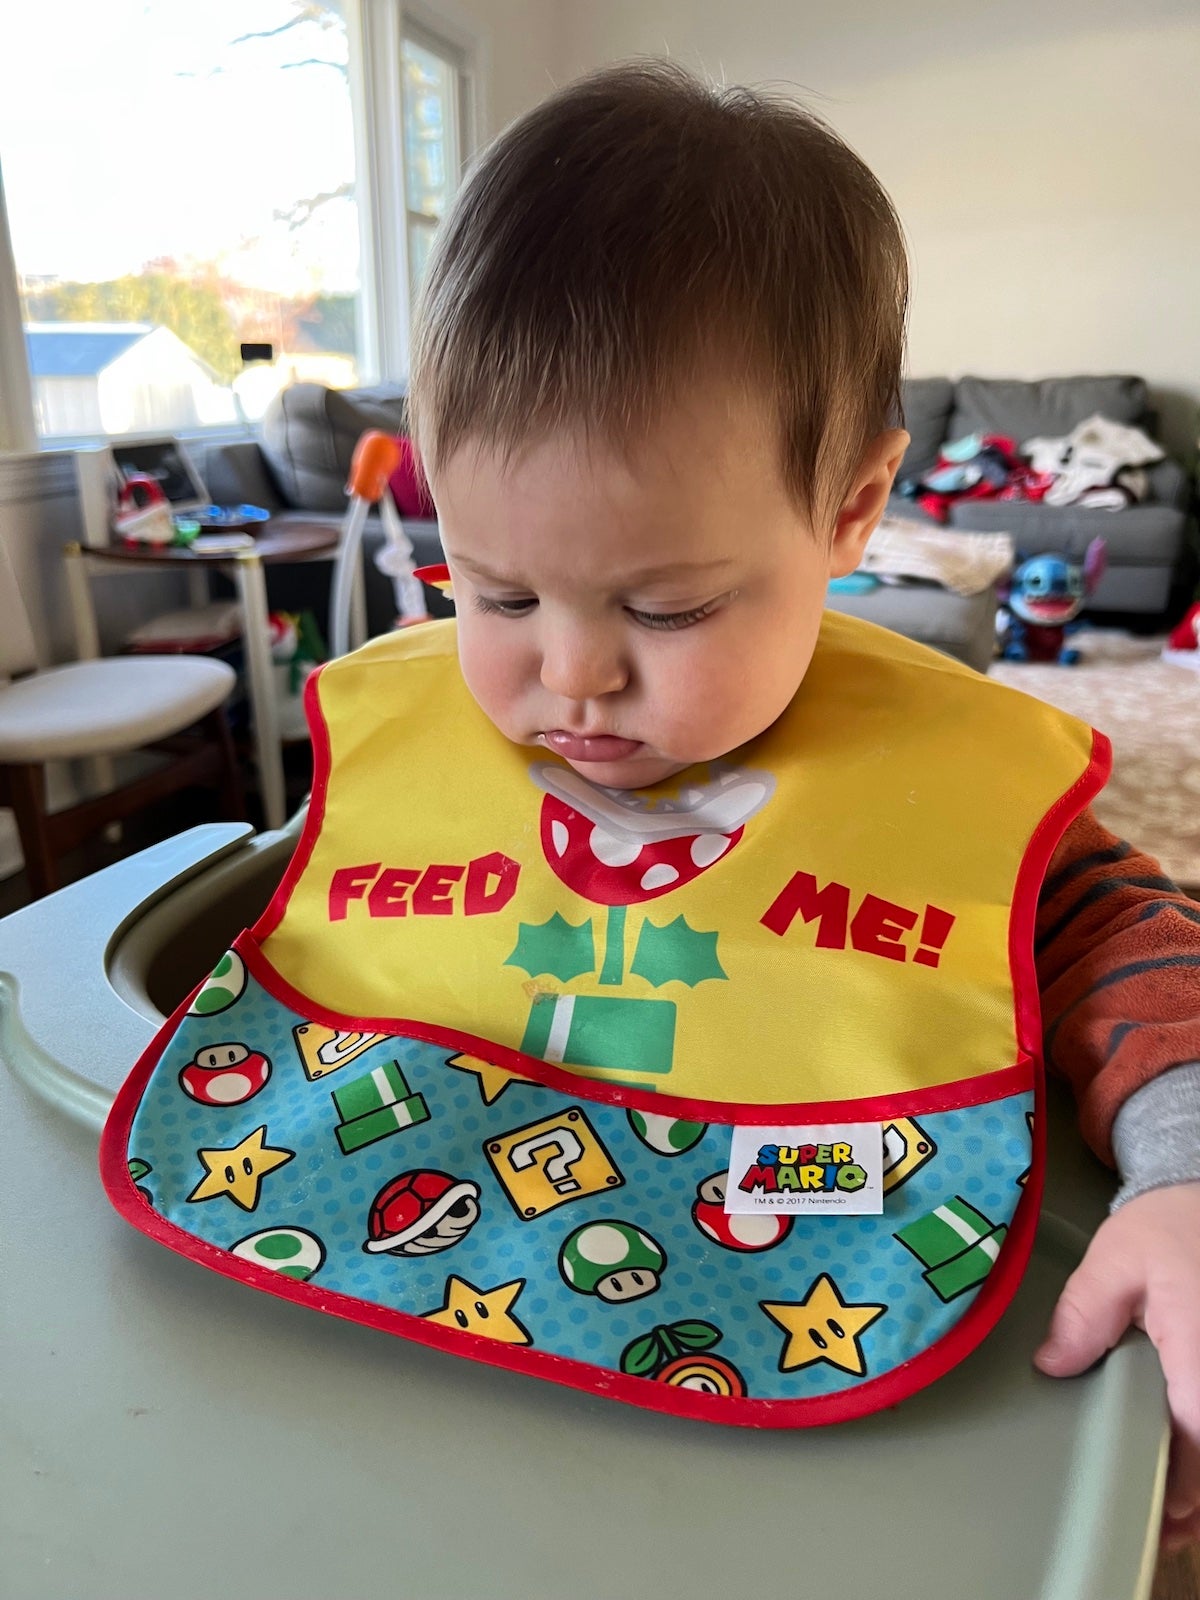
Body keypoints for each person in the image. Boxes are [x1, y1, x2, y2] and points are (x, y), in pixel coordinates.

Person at [404, 61, 1200, 1544]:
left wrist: (1185, 1183)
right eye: (495, 588)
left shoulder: (953, 789)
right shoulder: (425, 741)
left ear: (850, 508)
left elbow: (1143, 962)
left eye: (671, 606)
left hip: (823, 1373)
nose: (572, 678)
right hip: (443, 1354)